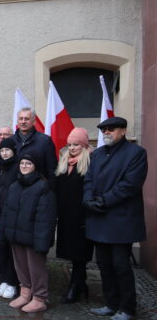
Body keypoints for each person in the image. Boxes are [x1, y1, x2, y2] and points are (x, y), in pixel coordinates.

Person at [84, 117, 147, 320]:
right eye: (104, 130)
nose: (106, 132)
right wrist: (87, 199)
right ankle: (111, 304)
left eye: (111, 129)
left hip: (121, 220)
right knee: (103, 264)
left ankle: (127, 308)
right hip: (99, 218)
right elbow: (89, 180)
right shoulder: (99, 154)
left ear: (123, 131)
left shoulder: (136, 153)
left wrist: (103, 201)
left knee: (121, 266)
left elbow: (129, 185)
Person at [0, 152, 57, 313]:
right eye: (22, 163)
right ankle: (25, 293)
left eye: (28, 164)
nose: (24, 166)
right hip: (16, 235)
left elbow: (46, 218)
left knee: (36, 268)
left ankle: (39, 298)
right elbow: (7, 211)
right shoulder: (15, 186)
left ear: (35, 166)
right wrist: (3, 232)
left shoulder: (43, 187)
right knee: (21, 267)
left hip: (33, 238)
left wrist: (42, 240)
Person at [54, 128, 94, 303]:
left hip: (82, 217)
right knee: (72, 253)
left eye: (76, 144)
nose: (72, 147)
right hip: (65, 216)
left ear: (84, 145)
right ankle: (81, 283)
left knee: (80, 254)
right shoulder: (64, 162)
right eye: (70, 144)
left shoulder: (90, 163)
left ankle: (74, 287)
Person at [0, 138, 19, 299]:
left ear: (13, 151)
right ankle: (4, 280)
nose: (5, 153)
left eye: (7, 150)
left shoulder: (17, 167)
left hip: (12, 216)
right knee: (2, 249)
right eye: (2, 150)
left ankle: (13, 282)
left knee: (12, 250)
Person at [5, 108, 57, 186]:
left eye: (27, 119)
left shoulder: (45, 141)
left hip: (37, 190)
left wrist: (49, 189)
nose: (23, 122)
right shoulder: (10, 141)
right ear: (17, 121)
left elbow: (52, 169)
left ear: (34, 121)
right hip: (13, 189)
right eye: (20, 119)